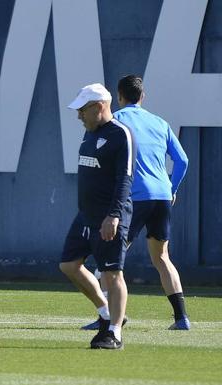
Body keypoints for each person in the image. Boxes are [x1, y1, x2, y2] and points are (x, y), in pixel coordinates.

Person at [81, 75, 190, 331]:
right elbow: (182, 160)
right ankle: (181, 317)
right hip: (162, 196)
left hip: (134, 198)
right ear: (142, 97)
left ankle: (108, 318)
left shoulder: (115, 121)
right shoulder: (160, 123)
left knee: (108, 259)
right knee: (162, 258)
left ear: (118, 97)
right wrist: (171, 188)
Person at [60, 83, 136, 349]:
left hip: (110, 216)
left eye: (83, 110)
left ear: (99, 107)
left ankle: (114, 332)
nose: (79, 115)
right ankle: (106, 313)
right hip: (86, 215)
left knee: (112, 273)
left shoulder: (120, 134)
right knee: (69, 265)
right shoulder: (89, 134)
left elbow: (124, 179)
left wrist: (113, 216)